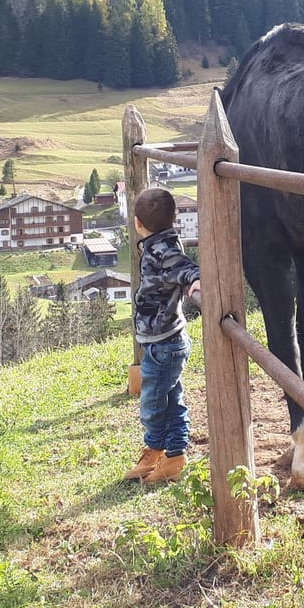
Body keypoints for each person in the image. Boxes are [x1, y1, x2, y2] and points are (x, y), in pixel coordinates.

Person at [123, 187, 201, 483]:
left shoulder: (163, 250)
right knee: (171, 398)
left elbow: (186, 269)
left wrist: (195, 282)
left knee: (153, 401)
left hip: (165, 343)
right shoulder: (160, 244)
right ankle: (174, 457)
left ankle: (156, 451)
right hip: (162, 342)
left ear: (138, 223)